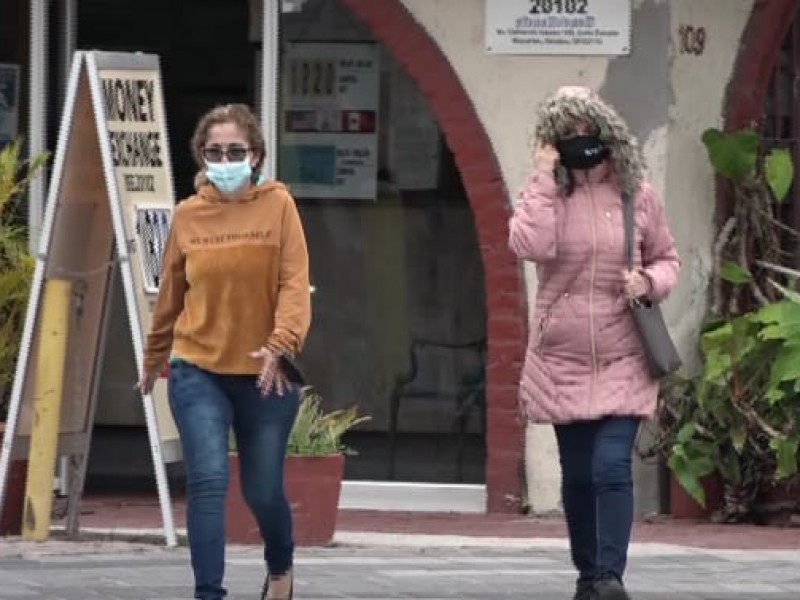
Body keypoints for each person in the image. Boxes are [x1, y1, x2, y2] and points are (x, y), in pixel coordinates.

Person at [508, 86, 680, 600]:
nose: (580, 141)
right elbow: (530, 245)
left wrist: (647, 282)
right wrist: (542, 175)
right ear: (554, 141)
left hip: (624, 351)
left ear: (606, 133)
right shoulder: (545, 193)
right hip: (562, 358)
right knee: (579, 476)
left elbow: (667, 258)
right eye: (568, 134)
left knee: (610, 466)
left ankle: (610, 577)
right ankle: (587, 576)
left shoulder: (636, 194)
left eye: (588, 130)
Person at [136, 103, 311, 600]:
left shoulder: (280, 207)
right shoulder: (187, 216)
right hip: (198, 369)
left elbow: (295, 286)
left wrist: (281, 345)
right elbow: (170, 294)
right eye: (215, 152)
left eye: (236, 150)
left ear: (255, 155)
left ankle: (281, 568)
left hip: (265, 374)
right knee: (208, 480)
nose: (226, 159)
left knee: (262, 492)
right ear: (202, 156)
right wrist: (154, 358)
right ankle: (207, 594)